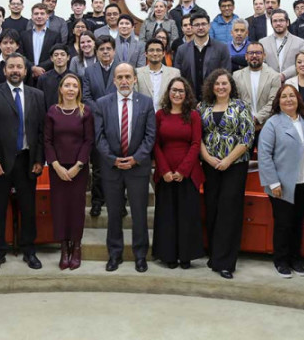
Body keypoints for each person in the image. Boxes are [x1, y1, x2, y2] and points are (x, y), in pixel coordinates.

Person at [0, 53, 46, 271]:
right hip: (1, 163)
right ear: (4, 71)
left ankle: (29, 250)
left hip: (28, 160)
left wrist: (39, 159)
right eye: (11, 67)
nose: (15, 70)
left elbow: (41, 130)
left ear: (26, 71)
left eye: (19, 67)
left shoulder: (37, 95)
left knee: (28, 209)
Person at [94, 63, 156, 273]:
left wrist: (136, 158)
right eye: (119, 77)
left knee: (139, 213)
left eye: (128, 77)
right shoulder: (102, 103)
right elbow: (99, 136)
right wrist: (112, 159)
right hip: (112, 168)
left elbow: (150, 136)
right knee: (113, 213)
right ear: (114, 81)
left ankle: (140, 255)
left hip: (137, 168)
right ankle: (114, 254)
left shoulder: (146, 103)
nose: (124, 81)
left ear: (135, 79)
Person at [199, 69, 253, 279]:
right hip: (210, 165)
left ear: (231, 86)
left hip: (235, 165)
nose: (221, 87)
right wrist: (207, 158)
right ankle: (214, 254)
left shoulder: (241, 106)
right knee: (212, 208)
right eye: (217, 84)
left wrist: (228, 160)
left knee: (229, 212)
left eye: (225, 84)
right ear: (211, 86)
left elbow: (247, 138)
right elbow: (199, 137)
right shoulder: (203, 107)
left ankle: (226, 262)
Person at [258, 84, 304, 278]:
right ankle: (281, 261)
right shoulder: (273, 123)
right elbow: (264, 155)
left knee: (298, 222)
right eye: (284, 96)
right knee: (283, 223)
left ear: (298, 99)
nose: (288, 99)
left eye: (292, 96)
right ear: (278, 101)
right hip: (281, 184)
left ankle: (295, 259)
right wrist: (273, 182)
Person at [152, 77, 204, 269]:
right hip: (165, 173)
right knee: (167, 216)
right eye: (174, 90)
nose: (177, 94)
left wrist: (183, 170)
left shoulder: (193, 116)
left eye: (181, 91)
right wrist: (164, 170)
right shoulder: (160, 115)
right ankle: (169, 255)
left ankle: (185, 256)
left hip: (188, 173)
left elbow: (196, 144)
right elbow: (156, 144)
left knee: (187, 216)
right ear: (168, 92)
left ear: (187, 94)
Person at [44, 73, 94, 270]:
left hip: (78, 169)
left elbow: (89, 140)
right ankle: (64, 248)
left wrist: (77, 166)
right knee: (59, 208)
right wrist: (55, 165)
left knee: (76, 208)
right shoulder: (52, 111)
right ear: (61, 89)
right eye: (67, 85)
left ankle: (77, 246)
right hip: (57, 169)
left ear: (79, 90)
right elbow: (47, 140)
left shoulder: (85, 112)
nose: (71, 89)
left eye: (75, 85)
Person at [81, 35, 120, 217]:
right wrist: (101, 110)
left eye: (108, 49)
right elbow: (86, 97)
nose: (105, 52)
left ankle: (119, 201)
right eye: (101, 49)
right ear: (96, 52)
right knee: (97, 166)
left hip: (118, 123)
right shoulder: (89, 72)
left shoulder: (122, 70)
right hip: (96, 124)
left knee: (117, 165)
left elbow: (125, 92)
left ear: (114, 50)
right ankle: (97, 200)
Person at [174, 11, 232, 95]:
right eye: (197, 25)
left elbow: (226, 76)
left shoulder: (222, 48)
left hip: (215, 99)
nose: (200, 27)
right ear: (192, 27)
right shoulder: (182, 50)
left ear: (209, 26)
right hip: (189, 100)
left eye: (204, 24)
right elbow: (178, 76)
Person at [233, 42, 281, 132]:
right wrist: (247, 119)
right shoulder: (236, 76)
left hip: (268, 126)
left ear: (264, 55)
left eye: (258, 53)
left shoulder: (274, 76)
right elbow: (236, 101)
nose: (254, 56)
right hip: (243, 125)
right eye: (251, 53)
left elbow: (273, 102)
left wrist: (257, 118)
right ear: (246, 56)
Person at [259, 9, 304, 83]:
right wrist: (275, 76)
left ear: (287, 22)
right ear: (271, 24)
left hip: (293, 83)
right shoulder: (262, 42)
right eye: (275, 21)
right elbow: (262, 63)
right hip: (270, 82)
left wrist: (284, 75)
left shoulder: (299, 42)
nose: (278, 23)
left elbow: (301, 62)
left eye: (281, 20)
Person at [135, 39, 179, 111]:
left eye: (158, 50)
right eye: (151, 50)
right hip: (143, 117)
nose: (155, 53)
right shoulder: (137, 73)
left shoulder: (174, 73)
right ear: (145, 54)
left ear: (163, 53)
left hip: (166, 115)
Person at [21, 3, 62, 79]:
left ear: (47, 16)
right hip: (27, 75)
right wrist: (32, 68)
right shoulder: (24, 35)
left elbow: (55, 55)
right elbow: (21, 55)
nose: (39, 16)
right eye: (36, 14)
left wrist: (39, 68)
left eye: (42, 14)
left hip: (47, 75)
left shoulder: (55, 35)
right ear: (32, 17)